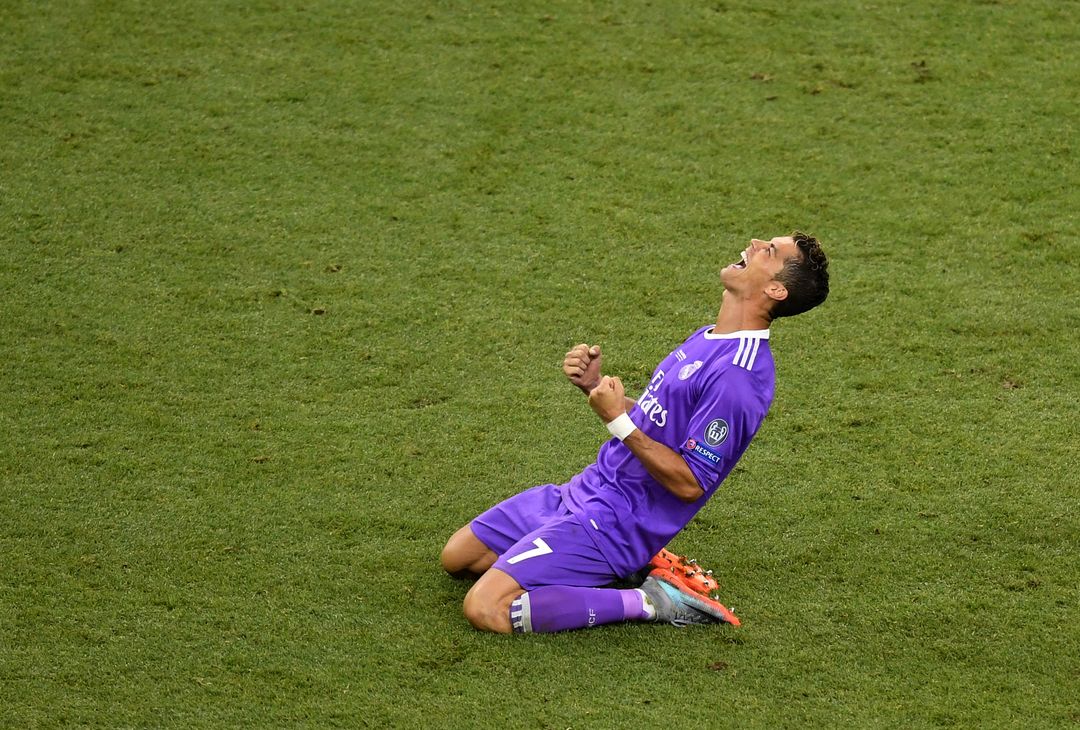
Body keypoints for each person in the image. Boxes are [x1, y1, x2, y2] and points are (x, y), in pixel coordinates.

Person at [440, 232, 830, 633]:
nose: (754, 242)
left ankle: (653, 601)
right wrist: (595, 389)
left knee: (486, 608)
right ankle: (605, 570)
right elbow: (655, 422)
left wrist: (617, 422)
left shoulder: (739, 378)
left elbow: (691, 482)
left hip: (615, 525)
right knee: (459, 558)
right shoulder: (707, 337)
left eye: (770, 250)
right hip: (582, 492)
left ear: (776, 289)